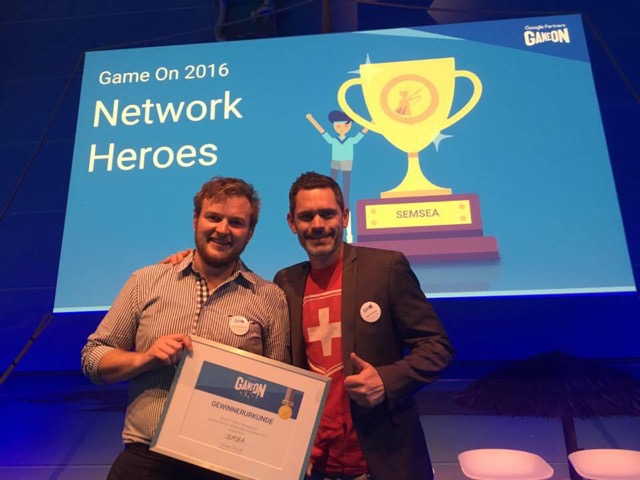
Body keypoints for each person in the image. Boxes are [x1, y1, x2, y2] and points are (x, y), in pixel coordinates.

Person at [81, 176, 290, 480]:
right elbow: (93, 358)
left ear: (250, 233)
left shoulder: (270, 298)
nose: (222, 229)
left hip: (227, 465)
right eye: (213, 217)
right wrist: (144, 359)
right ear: (195, 220)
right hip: (146, 459)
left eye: (236, 222)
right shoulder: (146, 281)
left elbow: (279, 391)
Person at [274, 171, 454, 480]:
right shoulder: (285, 282)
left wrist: (385, 380)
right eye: (306, 216)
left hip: (383, 462)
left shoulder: (386, 268)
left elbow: (437, 347)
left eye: (327, 214)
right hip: (313, 465)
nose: (317, 224)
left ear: (344, 216)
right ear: (292, 223)